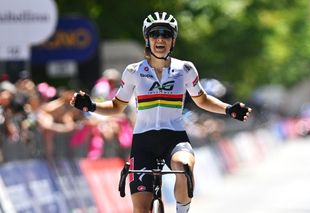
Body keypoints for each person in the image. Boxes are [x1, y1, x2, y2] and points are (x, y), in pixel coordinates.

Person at [70, 11, 252, 213]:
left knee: (183, 167)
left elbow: (202, 100)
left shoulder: (185, 69)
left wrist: (228, 109)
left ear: (172, 40)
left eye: (166, 34)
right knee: (140, 208)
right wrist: (91, 105)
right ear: (147, 39)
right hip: (143, 142)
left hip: (174, 139)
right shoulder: (133, 72)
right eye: (155, 34)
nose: (160, 39)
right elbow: (116, 106)